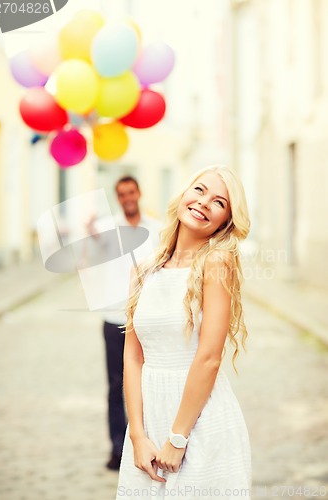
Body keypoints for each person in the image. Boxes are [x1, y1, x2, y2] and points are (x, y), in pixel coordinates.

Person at [116, 165, 252, 499]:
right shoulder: (144, 269)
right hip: (148, 421)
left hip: (199, 422)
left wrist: (178, 438)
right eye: (200, 190)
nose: (205, 203)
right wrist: (137, 435)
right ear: (184, 194)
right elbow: (133, 356)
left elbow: (208, 358)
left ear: (225, 222)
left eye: (219, 202)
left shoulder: (217, 262)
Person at [87, 176, 161, 471]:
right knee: (115, 386)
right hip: (114, 319)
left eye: (131, 192)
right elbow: (91, 254)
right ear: (118, 198)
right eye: (121, 194)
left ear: (139, 193)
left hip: (145, 320)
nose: (127, 197)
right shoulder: (106, 228)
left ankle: (145, 444)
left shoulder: (154, 230)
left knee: (146, 384)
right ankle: (118, 449)